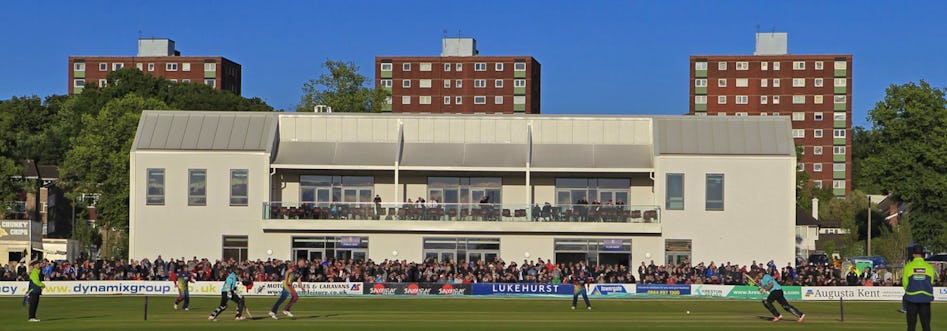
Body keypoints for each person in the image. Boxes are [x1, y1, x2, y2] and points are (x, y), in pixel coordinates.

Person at [902, 245, 935, 331]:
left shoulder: (908, 266)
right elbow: (931, 281)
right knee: (926, 326)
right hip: (925, 298)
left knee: (911, 326)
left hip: (912, 298)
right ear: (922, 254)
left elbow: (905, 283)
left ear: (913, 254)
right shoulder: (929, 267)